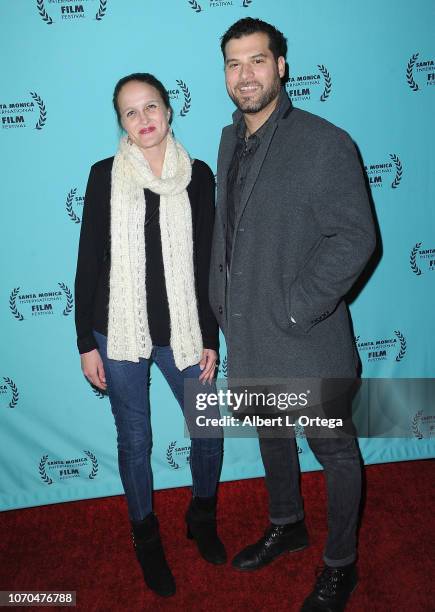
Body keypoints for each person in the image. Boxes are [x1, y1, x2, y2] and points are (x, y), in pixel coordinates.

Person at [209, 18, 376, 612]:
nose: (244, 75)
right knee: (271, 436)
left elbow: (356, 238)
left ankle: (340, 565)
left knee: (334, 452)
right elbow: (228, 234)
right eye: (233, 63)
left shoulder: (325, 142)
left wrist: (297, 306)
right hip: (249, 335)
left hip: (307, 338)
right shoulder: (230, 140)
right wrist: (220, 306)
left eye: (257, 61)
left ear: (281, 65)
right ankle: (288, 523)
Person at [74, 73, 226, 598]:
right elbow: (89, 261)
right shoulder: (103, 176)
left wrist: (210, 336)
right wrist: (84, 343)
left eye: (151, 106)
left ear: (168, 110)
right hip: (115, 330)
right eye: (131, 112)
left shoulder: (198, 174)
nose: (144, 119)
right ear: (120, 121)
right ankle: (146, 538)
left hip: (183, 330)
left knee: (207, 428)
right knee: (135, 439)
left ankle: (201, 517)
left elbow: (208, 262)